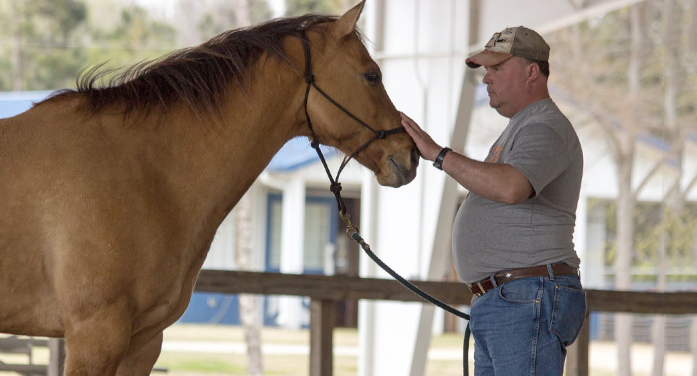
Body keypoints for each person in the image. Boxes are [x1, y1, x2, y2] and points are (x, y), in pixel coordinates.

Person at [401, 26, 586, 375]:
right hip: (511, 298)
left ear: (532, 71)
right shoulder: (522, 126)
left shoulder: (545, 127)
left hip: (526, 296)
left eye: (497, 68)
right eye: (486, 70)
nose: (487, 79)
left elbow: (513, 187)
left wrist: (438, 154)